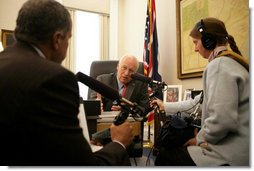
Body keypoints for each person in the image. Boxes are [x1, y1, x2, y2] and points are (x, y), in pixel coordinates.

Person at [0, 0, 134, 166]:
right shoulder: (55, 79)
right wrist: (118, 143)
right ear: (57, 39)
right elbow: (81, 166)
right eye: (68, 40)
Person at [151, 17, 249, 166]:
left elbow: (222, 120)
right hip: (242, 149)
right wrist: (166, 106)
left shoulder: (219, 65)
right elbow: (198, 103)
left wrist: (200, 139)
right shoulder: (231, 63)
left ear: (208, 41)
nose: (195, 49)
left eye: (196, 43)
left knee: (165, 155)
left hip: (230, 154)